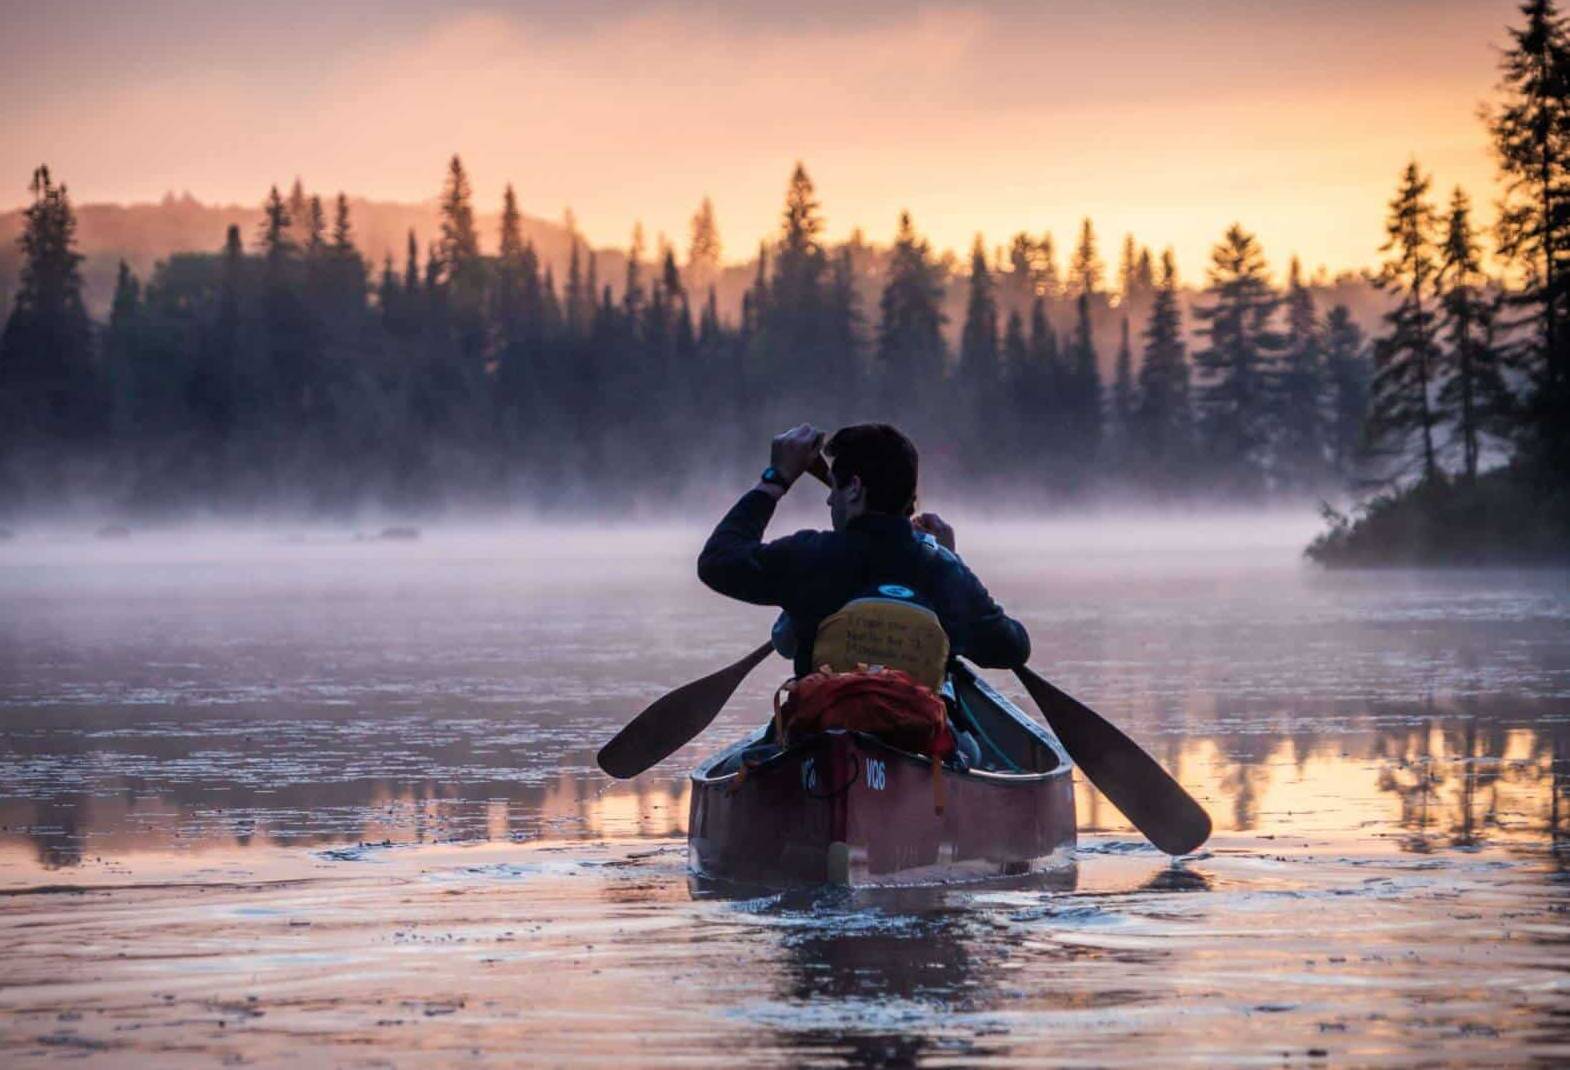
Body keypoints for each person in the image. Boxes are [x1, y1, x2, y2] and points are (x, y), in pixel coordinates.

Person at [697, 421, 1030, 692]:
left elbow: (718, 562)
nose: (830, 502)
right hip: (915, 738)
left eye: (835, 490)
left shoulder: (809, 556)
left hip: (823, 734)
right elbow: (1013, 648)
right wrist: (949, 558)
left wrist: (775, 480)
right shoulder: (943, 569)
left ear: (854, 489)